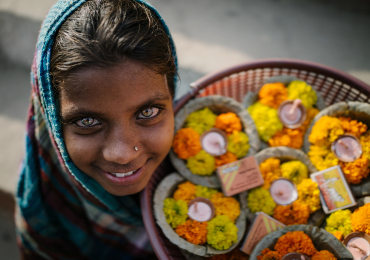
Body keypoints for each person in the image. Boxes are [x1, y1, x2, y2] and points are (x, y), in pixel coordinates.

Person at [15, 0, 178, 259]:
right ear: (53, 120)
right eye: (87, 122)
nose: (123, 154)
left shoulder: (206, 152)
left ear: (172, 93)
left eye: (147, 112)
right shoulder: (47, 201)